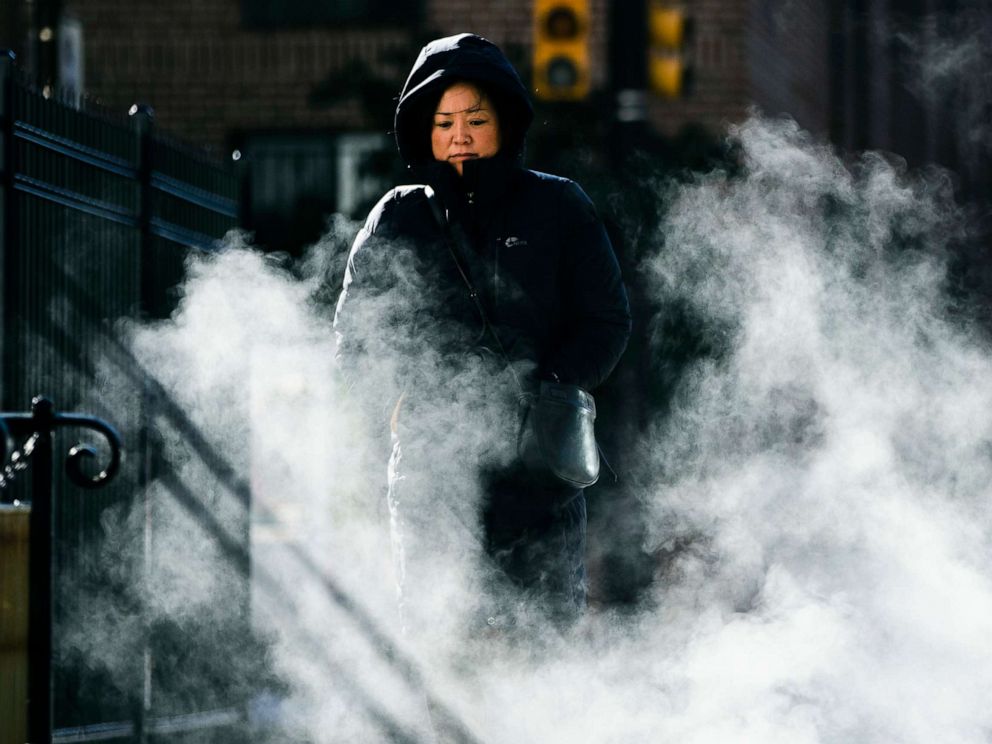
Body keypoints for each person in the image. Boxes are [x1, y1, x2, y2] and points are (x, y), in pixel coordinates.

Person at [333, 33, 631, 634]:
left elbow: (606, 320)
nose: (459, 134)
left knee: (544, 643)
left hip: (539, 468)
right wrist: (398, 406)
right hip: (431, 470)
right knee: (439, 641)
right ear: (424, 128)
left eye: (475, 118)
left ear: (505, 121)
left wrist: (550, 387)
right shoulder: (399, 216)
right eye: (444, 121)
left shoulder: (559, 206)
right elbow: (356, 339)